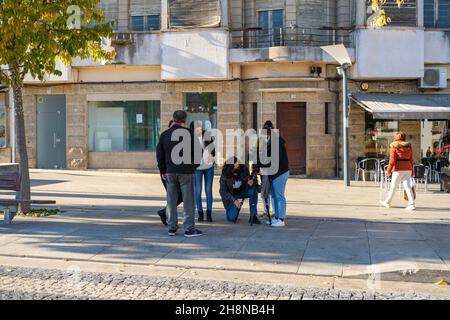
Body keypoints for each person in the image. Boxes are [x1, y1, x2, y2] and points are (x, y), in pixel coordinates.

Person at [156, 110, 203, 237]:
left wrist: (163, 170)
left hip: (170, 171)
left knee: (171, 200)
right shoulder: (190, 134)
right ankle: (189, 228)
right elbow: (199, 153)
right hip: (186, 171)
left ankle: (171, 227)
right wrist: (193, 167)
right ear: (185, 120)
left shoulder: (165, 135)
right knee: (188, 201)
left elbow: (159, 154)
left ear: (173, 119)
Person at [259, 120, 290, 227]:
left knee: (279, 196)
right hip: (273, 173)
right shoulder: (269, 142)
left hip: (280, 173)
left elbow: (275, 160)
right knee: (274, 196)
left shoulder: (276, 142)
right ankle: (276, 217)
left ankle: (281, 219)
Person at [380, 131, 416, 211]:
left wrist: (388, 170)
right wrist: (412, 170)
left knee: (393, 186)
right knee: (407, 186)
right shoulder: (409, 146)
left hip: (398, 169)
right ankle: (411, 204)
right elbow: (411, 160)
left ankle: (387, 202)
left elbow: (392, 160)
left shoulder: (394, 146)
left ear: (396, 137)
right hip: (408, 168)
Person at [219, 157, 261, 224]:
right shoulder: (225, 174)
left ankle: (253, 216)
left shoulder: (243, 169)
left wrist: (250, 182)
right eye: (235, 163)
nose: (237, 164)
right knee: (231, 218)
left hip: (242, 192)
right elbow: (223, 191)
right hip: (232, 198)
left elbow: (249, 179)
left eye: (237, 162)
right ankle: (235, 207)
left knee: (253, 191)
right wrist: (234, 200)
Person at [157, 120, 182, 226]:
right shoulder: (165, 137)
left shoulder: (180, 138)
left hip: (178, 172)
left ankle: (165, 212)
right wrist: (162, 171)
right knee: (173, 196)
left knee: (179, 196)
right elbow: (159, 155)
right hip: (167, 172)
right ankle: (170, 218)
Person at [190, 121, 215, 222]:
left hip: (209, 167)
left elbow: (213, 149)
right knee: (198, 190)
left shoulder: (207, 135)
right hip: (197, 169)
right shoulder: (190, 139)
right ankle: (200, 214)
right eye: (197, 129)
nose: (199, 130)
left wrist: (211, 155)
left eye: (200, 128)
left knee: (208, 190)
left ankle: (209, 214)